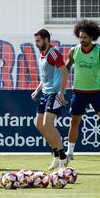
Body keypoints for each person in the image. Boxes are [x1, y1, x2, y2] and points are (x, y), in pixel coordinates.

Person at [65, 20, 100, 161]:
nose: (81, 39)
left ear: (91, 37)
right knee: (74, 121)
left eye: (84, 37)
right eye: (80, 37)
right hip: (78, 92)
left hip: (96, 92)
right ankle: (70, 152)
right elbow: (66, 68)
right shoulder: (74, 51)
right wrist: (59, 86)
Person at [31, 29, 69, 170]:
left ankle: (62, 157)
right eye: (35, 41)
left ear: (46, 40)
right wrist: (37, 90)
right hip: (45, 93)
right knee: (39, 124)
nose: (36, 44)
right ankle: (56, 154)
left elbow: (65, 72)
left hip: (55, 93)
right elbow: (45, 77)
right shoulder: (42, 54)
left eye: (38, 41)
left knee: (47, 124)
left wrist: (61, 92)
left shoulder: (54, 53)